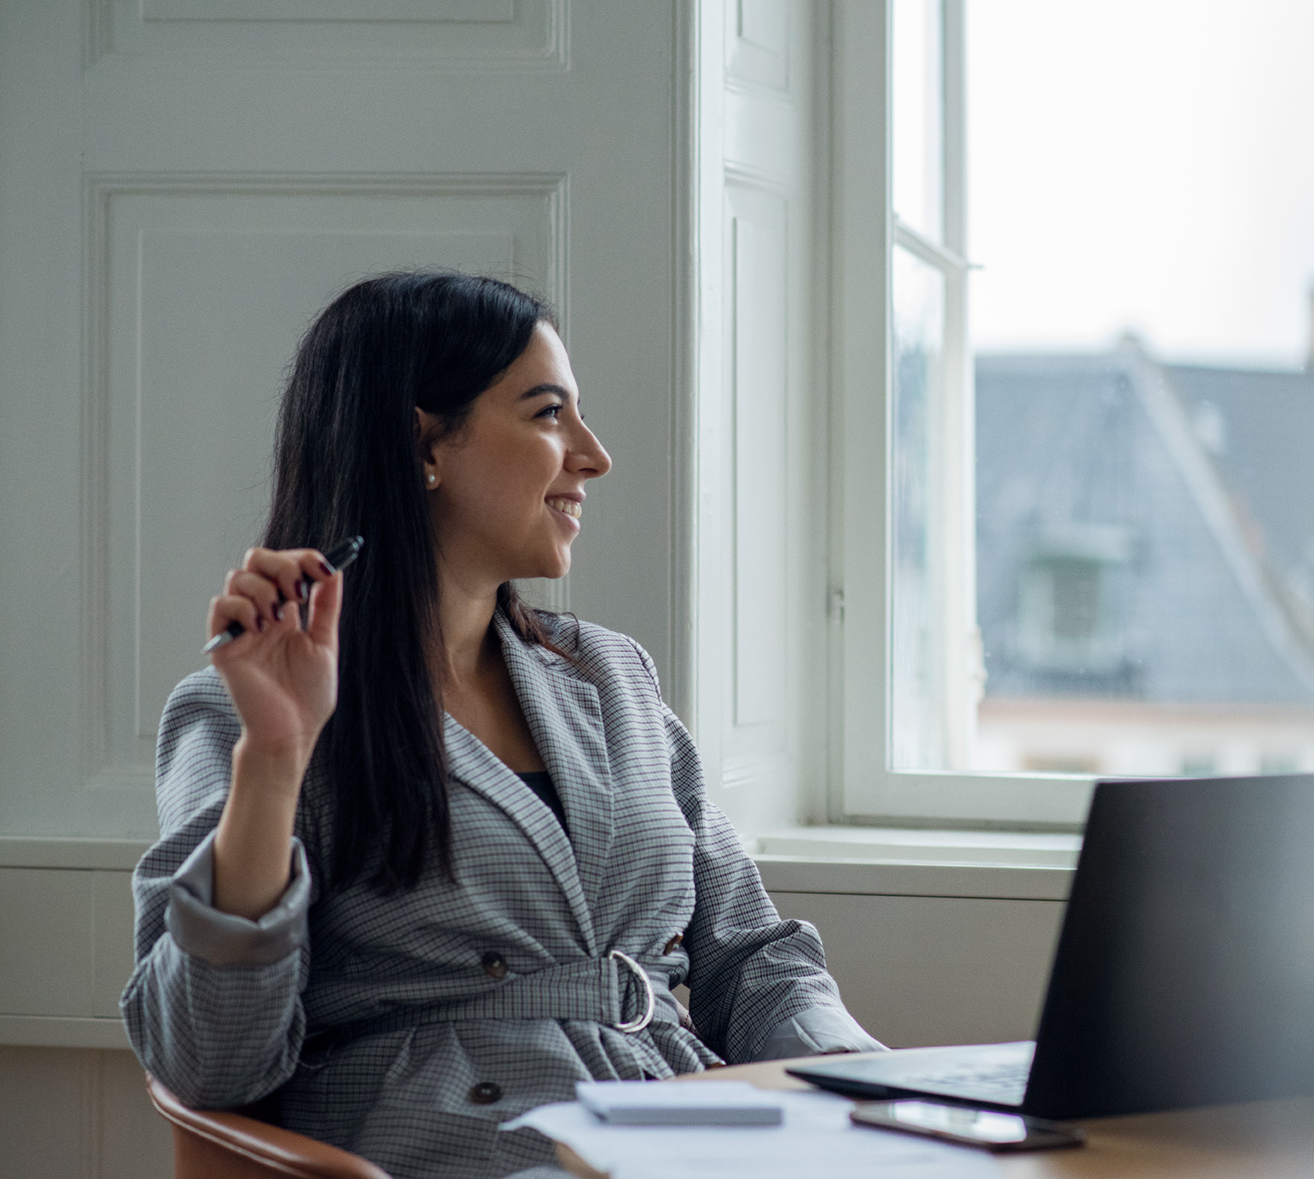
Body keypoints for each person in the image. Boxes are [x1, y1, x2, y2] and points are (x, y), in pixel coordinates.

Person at [121, 272, 884, 1178]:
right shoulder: (237, 719)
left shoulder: (613, 677)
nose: (593, 456)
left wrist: (871, 1085)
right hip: (461, 1149)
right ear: (422, 444)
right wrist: (277, 757)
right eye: (548, 414)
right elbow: (207, 1061)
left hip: (680, 1129)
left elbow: (752, 955)